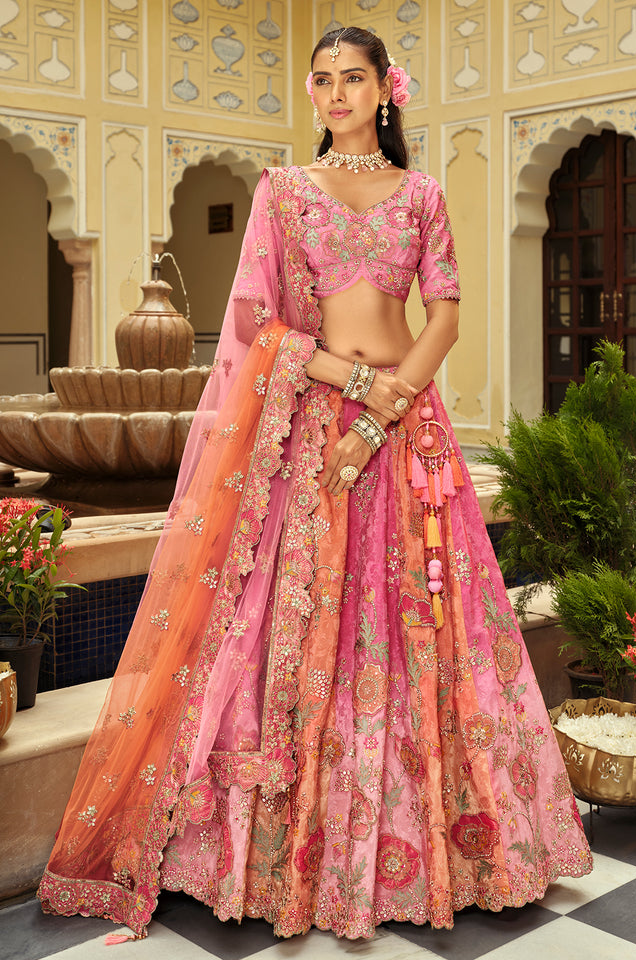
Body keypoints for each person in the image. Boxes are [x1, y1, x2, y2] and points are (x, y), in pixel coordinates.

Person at [38, 26, 592, 941]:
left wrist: (387, 408)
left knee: (427, 626)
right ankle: (290, 853)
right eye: (323, 80)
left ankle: (442, 848)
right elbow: (254, 320)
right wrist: (354, 388)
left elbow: (445, 314)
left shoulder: (421, 193)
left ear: (385, 91)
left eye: (354, 79)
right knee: (295, 625)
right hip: (315, 430)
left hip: (408, 432)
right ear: (313, 91)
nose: (336, 95)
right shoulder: (284, 193)